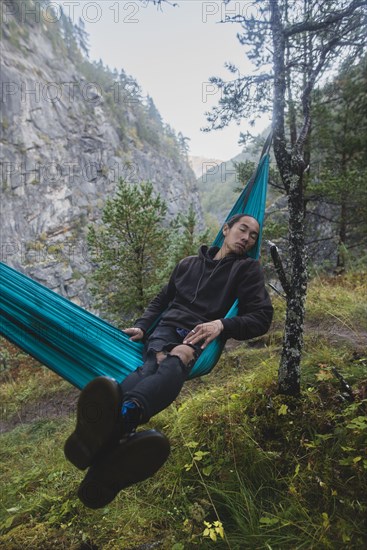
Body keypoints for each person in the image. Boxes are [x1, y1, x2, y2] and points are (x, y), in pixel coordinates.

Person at [64, 214, 273, 508]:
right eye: (243, 230)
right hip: (164, 330)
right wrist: (143, 325)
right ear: (225, 230)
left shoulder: (247, 270)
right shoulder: (188, 264)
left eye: (253, 236)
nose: (247, 238)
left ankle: (119, 417)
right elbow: (162, 301)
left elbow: (262, 317)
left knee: (177, 358)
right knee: (153, 364)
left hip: (198, 334)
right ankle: (116, 435)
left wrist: (222, 325)